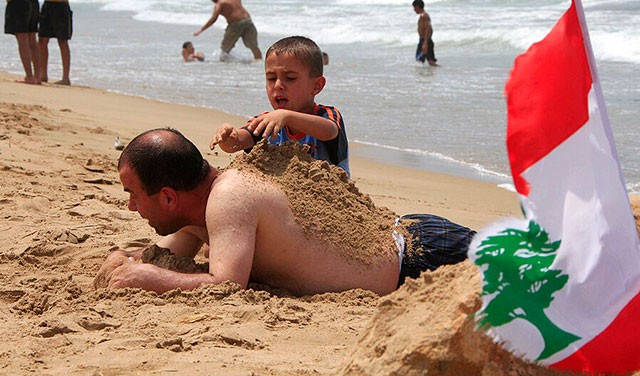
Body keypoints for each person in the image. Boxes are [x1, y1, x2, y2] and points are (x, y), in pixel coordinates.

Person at [94, 128, 475, 295]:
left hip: (423, 258)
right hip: (411, 248)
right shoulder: (199, 216)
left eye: (133, 194)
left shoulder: (229, 197)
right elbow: (160, 257)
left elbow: (225, 285)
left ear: (168, 197)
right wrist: (125, 261)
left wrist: (148, 278)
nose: (131, 206)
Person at [210, 36, 350, 175]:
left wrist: (287, 116)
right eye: (271, 78)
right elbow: (236, 143)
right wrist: (227, 137)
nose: (278, 85)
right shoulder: (266, 121)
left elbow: (329, 131)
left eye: (290, 78)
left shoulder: (326, 114)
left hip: (325, 193)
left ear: (316, 86)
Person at [193, 0, 261, 61]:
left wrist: (201, 30)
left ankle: (222, 65)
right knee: (254, 46)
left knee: (225, 49)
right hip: (248, 21)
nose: (211, 0)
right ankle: (260, 63)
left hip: (236, 24)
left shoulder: (219, 3)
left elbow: (213, 19)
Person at [412, 0, 437, 66]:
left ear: (417, 7)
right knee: (431, 62)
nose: (414, 10)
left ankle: (420, 76)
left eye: (414, 8)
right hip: (425, 40)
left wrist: (425, 43)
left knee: (418, 61)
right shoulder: (423, 16)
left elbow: (428, 28)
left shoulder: (424, 16)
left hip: (424, 41)